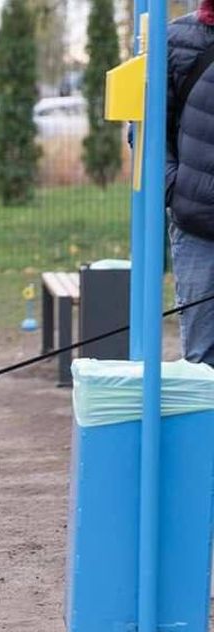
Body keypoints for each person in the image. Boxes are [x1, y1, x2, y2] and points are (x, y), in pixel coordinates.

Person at [166, 1, 214, 366]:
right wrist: (177, 191)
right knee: (202, 360)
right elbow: (147, 133)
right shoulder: (178, 40)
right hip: (198, 230)